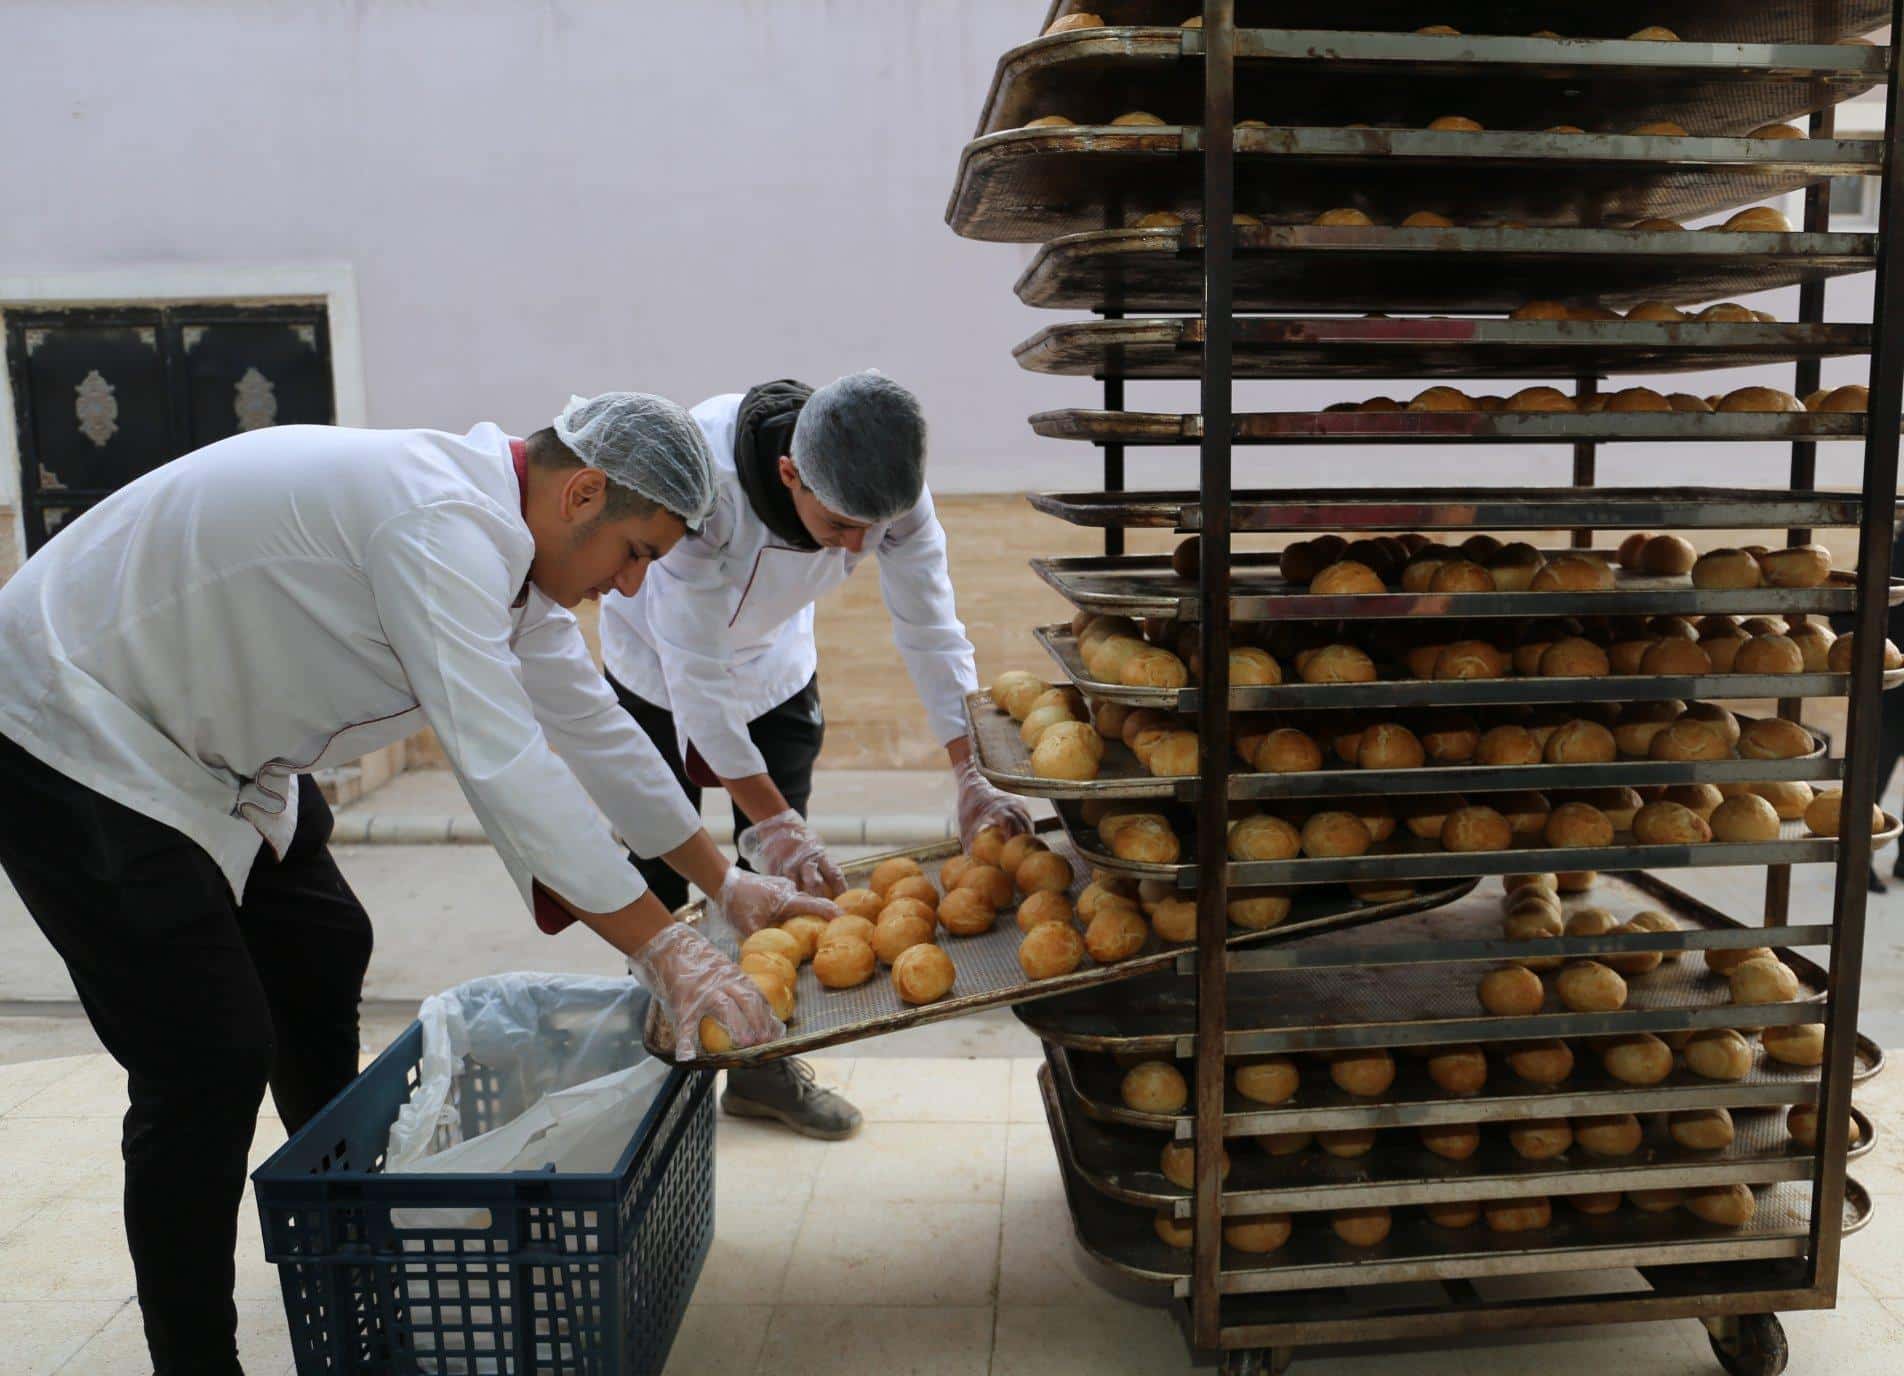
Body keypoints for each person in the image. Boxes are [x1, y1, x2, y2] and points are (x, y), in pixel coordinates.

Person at [0, 393, 825, 1376]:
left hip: (215, 751)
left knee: (322, 943)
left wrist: (722, 882)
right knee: (207, 1057)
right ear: (582, 493)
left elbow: (595, 733)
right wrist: (664, 946)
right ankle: (195, 1357)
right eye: (636, 551)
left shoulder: (515, 564)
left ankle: (346, 1236)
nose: (631, 585)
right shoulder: (441, 526)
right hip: (70, 720)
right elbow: (506, 763)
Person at [598, 372, 1032, 1138]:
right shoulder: (705, 487)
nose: (861, 547)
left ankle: (760, 1071)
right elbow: (695, 676)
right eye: (840, 526)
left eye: (876, 527)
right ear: (788, 474)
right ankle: (656, 1079)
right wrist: (775, 819)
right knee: (665, 872)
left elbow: (931, 626)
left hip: (774, 668)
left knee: (777, 881)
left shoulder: (891, 490)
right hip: (654, 669)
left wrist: (972, 771)